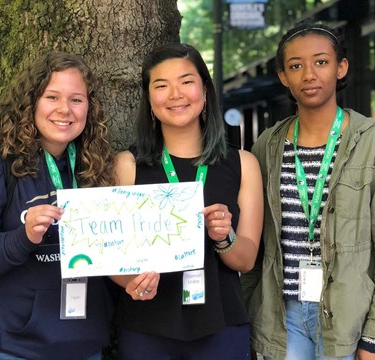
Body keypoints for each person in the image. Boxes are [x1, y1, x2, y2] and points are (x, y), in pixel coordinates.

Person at [241, 23, 375, 360]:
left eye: (320, 62)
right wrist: (247, 317)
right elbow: (257, 244)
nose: (308, 75)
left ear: (340, 67)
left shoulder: (374, 141)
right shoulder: (268, 145)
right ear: (283, 76)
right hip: (282, 318)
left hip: (348, 319)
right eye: (296, 66)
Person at [0, 51, 116, 360]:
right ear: (30, 102)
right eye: (52, 97)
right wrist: (22, 237)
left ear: (89, 108)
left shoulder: (94, 168)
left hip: (84, 345)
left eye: (76, 100)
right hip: (9, 348)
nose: (65, 109)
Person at [110, 43, 263, 359]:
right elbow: (112, 253)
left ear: (205, 91)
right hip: (146, 325)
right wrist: (132, 281)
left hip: (221, 325)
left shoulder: (243, 163)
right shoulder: (127, 165)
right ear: (150, 100)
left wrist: (224, 237)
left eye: (186, 81)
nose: (175, 94)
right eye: (161, 85)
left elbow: (246, 260)